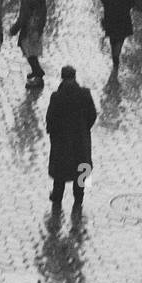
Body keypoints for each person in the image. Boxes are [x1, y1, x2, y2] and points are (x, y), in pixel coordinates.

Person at [45, 65, 96, 213]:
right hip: (81, 139)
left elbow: (50, 119)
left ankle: (57, 197)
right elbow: (92, 115)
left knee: (60, 172)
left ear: (62, 77)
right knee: (81, 169)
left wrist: (53, 134)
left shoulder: (56, 97)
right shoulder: (85, 94)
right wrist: (85, 129)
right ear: (75, 77)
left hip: (61, 142)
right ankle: (79, 197)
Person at [11, 0, 47, 86]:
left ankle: (38, 75)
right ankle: (36, 71)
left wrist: (14, 29)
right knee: (33, 51)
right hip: (38, 26)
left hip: (30, 28)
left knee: (28, 51)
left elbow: (24, 16)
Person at [100, 0, 134, 72]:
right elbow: (132, 4)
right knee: (120, 39)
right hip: (123, 20)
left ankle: (115, 56)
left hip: (110, 19)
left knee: (112, 39)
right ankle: (117, 54)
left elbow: (103, 1)